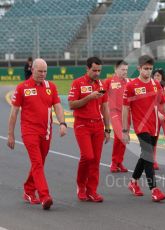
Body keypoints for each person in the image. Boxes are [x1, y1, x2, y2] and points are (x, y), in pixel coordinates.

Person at [7, 58, 67, 210]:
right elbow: (13, 112)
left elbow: (58, 106)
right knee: (37, 163)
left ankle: (28, 190)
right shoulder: (22, 87)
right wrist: (11, 135)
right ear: (32, 70)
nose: (43, 74)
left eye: (45, 71)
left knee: (39, 163)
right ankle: (45, 196)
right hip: (29, 131)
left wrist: (62, 123)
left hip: (46, 131)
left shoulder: (51, 86)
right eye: (40, 71)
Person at [122, 55, 165, 202]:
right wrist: (125, 130)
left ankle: (133, 182)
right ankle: (154, 189)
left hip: (154, 126)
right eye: (145, 69)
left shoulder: (156, 85)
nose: (148, 72)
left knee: (145, 155)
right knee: (148, 154)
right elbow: (125, 108)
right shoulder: (131, 86)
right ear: (139, 68)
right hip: (141, 127)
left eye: (150, 69)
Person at [68, 56, 110, 203]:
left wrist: (108, 129)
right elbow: (72, 105)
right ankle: (81, 186)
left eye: (99, 70)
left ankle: (92, 190)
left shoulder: (102, 84)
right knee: (88, 156)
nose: (97, 73)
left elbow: (105, 107)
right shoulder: (78, 83)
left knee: (96, 160)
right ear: (87, 69)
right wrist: (89, 97)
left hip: (98, 125)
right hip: (82, 124)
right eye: (94, 70)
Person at [103, 60, 130, 173]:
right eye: (123, 69)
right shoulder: (109, 81)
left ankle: (119, 162)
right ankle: (114, 162)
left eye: (126, 70)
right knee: (121, 135)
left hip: (126, 114)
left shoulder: (129, 82)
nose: (125, 72)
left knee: (123, 140)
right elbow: (101, 96)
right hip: (114, 113)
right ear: (116, 69)